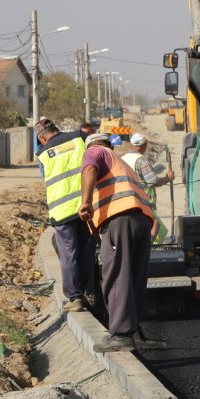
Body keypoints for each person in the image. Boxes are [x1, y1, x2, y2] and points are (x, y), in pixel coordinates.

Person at [78, 132, 155, 352]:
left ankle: (121, 334)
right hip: (140, 221)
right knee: (134, 277)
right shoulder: (121, 162)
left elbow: (90, 168)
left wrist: (86, 202)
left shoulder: (95, 152)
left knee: (116, 275)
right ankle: (129, 330)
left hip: (119, 220)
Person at [35, 119, 96, 312]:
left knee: (69, 254)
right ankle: (90, 292)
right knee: (87, 251)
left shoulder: (43, 154)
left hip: (61, 212)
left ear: (42, 138)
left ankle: (75, 297)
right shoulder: (79, 137)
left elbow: (46, 178)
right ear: (57, 130)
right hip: (86, 207)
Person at [121, 133, 174, 244]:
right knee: (156, 227)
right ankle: (149, 249)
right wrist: (168, 178)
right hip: (143, 202)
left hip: (125, 202)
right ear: (144, 145)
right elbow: (153, 181)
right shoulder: (142, 161)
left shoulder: (122, 159)